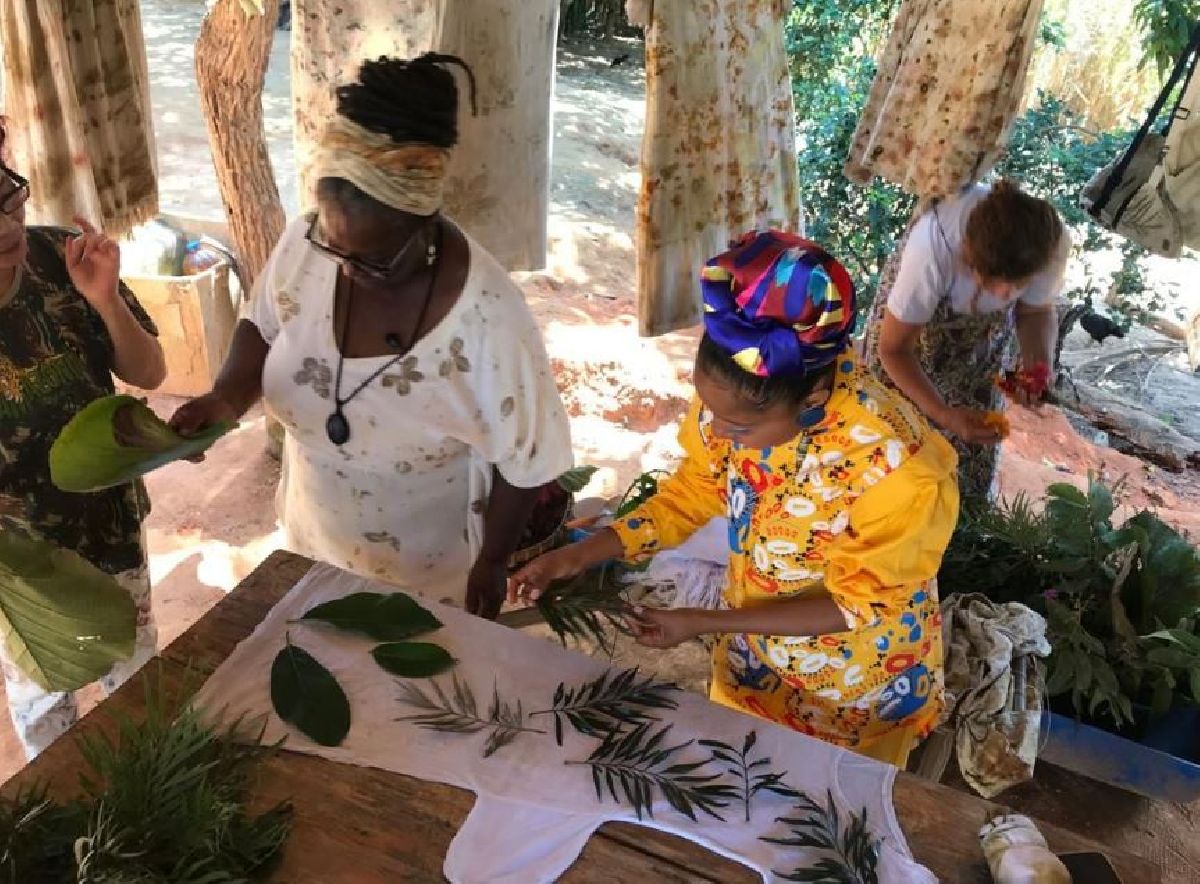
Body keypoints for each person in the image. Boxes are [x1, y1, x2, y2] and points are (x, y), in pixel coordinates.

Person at [511, 232, 959, 767]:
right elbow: (691, 494)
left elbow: (853, 607)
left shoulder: (900, 472)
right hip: (754, 657)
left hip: (853, 690)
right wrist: (578, 554)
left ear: (812, 396)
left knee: (824, 810)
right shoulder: (738, 395)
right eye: (709, 411)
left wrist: (702, 622)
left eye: (738, 425)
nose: (717, 433)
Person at [171, 55, 572, 619]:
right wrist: (226, 397)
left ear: (424, 221)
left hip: (425, 574)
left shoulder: (488, 319)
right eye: (334, 247)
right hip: (311, 538)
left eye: (375, 259)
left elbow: (527, 459)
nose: (346, 268)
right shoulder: (308, 244)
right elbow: (263, 321)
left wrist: (492, 562)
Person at [0, 121, 166, 759]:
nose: (10, 226)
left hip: (109, 529)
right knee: (45, 709)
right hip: (23, 568)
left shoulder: (65, 258)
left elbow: (149, 373)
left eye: (9, 192)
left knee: (139, 687)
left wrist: (105, 301)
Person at [862, 179, 1068, 502]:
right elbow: (893, 350)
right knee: (894, 453)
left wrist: (1037, 365)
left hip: (977, 349)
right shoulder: (933, 247)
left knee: (969, 455)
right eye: (992, 282)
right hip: (907, 345)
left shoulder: (1046, 247)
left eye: (1016, 286)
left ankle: (959, 528)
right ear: (967, 254)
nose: (1003, 296)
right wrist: (943, 413)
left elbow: (1035, 311)